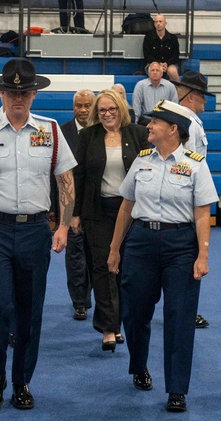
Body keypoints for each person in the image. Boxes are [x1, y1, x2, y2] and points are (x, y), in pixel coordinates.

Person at [0, 58, 77, 411]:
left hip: (35, 231)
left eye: (24, 92)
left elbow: (65, 179)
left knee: (29, 311)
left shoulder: (50, 130)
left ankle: (21, 380)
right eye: (11, 92)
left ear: (34, 93)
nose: (18, 98)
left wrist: (65, 225)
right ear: (2, 94)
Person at [107, 100, 217, 412]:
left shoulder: (196, 164)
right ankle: (139, 366)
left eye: (154, 122)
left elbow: (201, 214)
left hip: (181, 244)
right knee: (135, 311)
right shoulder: (142, 161)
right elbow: (126, 207)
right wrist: (115, 249)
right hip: (140, 241)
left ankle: (177, 389)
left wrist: (203, 255)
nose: (149, 127)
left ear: (173, 129)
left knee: (180, 316)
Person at [73, 89, 148, 350]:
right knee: (103, 268)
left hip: (132, 211)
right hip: (98, 211)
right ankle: (108, 326)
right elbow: (79, 176)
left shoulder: (138, 134)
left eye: (111, 109)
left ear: (121, 109)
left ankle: (121, 320)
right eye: (102, 110)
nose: (107, 114)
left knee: (127, 270)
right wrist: (74, 214)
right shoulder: (87, 136)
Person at [172, 70, 215, 329]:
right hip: (187, 202)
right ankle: (185, 311)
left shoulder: (181, 118)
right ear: (191, 96)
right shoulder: (189, 123)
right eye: (201, 95)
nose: (204, 101)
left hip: (182, 199)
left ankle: (184, 309)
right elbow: (188, 165)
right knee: (189, 258)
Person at [60, 89, 94, 321]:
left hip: (96, 207)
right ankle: (79, 302)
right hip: (70, 207)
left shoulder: (104, 131)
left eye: (87, 106)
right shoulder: (61, 132)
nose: (82, 110)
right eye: (78, 106)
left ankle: (94, 295)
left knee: (95, 257)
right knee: (74, 257)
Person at [132, 62, 177, 127]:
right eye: (152, 70)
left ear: (162, 73)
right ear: (149, 73)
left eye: (157, 70)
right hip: (146, 123)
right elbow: (136, 109)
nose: (155, 72)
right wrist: (135, 127)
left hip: (164, 122)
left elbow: (174, 108)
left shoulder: (170, 86)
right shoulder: (140, 86)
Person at [142, 14, 180, 82]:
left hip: (169, 65)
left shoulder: (173, 38)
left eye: (160, 21)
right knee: (155, 71)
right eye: (156, 22)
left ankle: (177, 91)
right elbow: (147, 56)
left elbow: (175, 56)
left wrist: (166, 64)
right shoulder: (148, 38)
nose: (158, 24)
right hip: (152, 64)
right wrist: (159, 64)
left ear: (165, 23)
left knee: (173, 71)